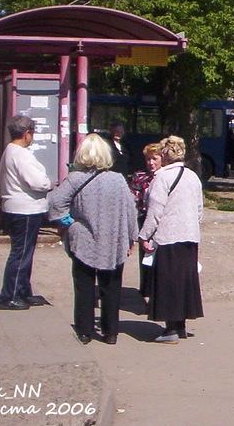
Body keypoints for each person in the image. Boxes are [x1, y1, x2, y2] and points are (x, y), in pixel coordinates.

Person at [48, 134, 137, 344]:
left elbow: (56, 204)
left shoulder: (74, 179)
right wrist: (132, 237)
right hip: (114, 239)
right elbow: (130, 210)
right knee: (112, 287)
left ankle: (84, 331)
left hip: (83, 239)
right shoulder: (118, 180)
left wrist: (68, 222)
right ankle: (111, 332)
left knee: (84, 286)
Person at [138, 136, 204, 343]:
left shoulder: (162, 179)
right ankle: (181, 325)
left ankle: (170, 330)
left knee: (167, 283)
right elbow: (199, 209)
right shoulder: (193, 176)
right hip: (190, 235)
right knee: (184, 281)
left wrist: (144, 235)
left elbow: (155, 211)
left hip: (168, 236)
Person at [0, 114, 53, 310]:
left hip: (17, 206)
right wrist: (48, 183)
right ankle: (11, 294)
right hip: (25, 209)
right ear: (27, 133)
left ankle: (23, 290)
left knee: (24, 252)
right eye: (32, 133)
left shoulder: (10, 151)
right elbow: (37, 182)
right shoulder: (21, 154)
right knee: (21, 253)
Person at [129, 142, 163, 297]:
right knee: (146, 258)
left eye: (154, 159)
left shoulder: (166, 178)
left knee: (161, 260)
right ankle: (146, 292)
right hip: (144, 219)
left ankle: (160, 293)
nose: (151, 163)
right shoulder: (140, 177)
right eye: (148, 159)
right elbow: (132, 201)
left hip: (162, 222)